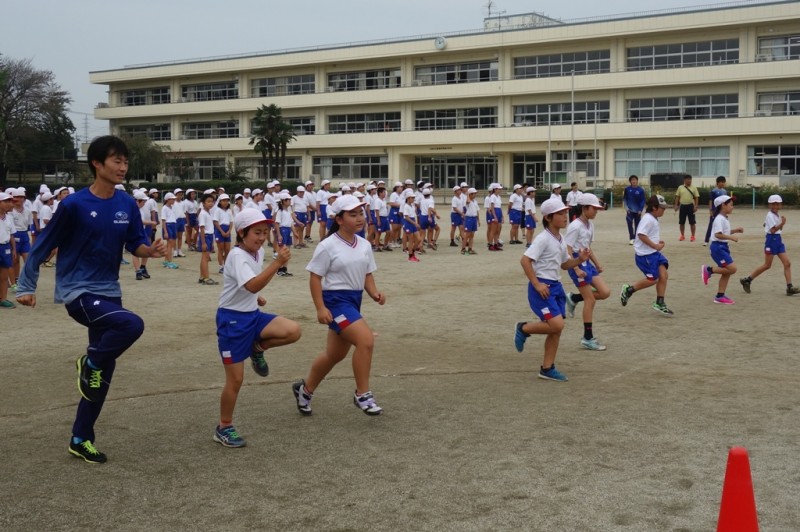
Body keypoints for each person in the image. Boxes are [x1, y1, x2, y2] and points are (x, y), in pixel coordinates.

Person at [15, 135, 166, 463]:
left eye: (125, 161)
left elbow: (135, 243)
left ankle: (81, 437)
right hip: (78, 291)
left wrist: (150, 251)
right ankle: (91, 361)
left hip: (109, 291)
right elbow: (42, 245)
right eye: (116, 161)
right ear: (97, 164)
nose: (123, 167)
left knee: (100, 378)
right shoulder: (73, 205)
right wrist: (25, 286)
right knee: (130, 326)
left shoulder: (126, 203)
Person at [213, 208, 301, 448]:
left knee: (293, 330)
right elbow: (250, 285)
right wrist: (277, 263)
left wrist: (257, 296)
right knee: (235, 380)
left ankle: (257, 348)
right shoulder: (237, 255)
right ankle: (224, 427)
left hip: (252, 314)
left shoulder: (258, 251)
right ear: (242, 233)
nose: (262, 237)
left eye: (265, 232)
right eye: (256, 232)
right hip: (231, 321)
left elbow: (250, 286)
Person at [292, 195, 386, 416]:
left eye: (361, 213)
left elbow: (367, 273)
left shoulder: (363, 244)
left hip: (354, 301)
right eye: (352, 215)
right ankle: (362, 394)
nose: (359, 218)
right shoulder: (327, 246)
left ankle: (304, 391)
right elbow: (315, 277)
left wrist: (374, 293)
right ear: (339, 219)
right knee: (365, 340)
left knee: (334, 355)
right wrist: (320, 308)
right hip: (335, 301)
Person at [514, 197, 591, 382]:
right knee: (556, 324)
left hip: (556, 286)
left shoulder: (561, 238)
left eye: (565, 213)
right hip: (542, 287)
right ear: (548, 218)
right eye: (560, 213)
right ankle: (523, 329)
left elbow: (564, 265)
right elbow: (525, 261)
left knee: (556, 330)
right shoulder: (542, 239)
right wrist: (537, 284)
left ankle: (547, 368)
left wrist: (579, 260)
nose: (565, 216)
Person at [564, 193, 611, 350]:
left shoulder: (590, 225)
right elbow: (568, 249)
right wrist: (576, 268)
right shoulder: (575, 226)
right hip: (577, 262)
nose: (596, 211)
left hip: (586, 261)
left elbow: (588, 248)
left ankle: (574, 298)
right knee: (590, 300)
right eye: (594, 208)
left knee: (604, 292)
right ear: (585, 208)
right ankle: (587, 337)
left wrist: (597, 264)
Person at [620, 195, 674, 316]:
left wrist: (657, 243)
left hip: (654, 253)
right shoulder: (648, 219)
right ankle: (628, 290)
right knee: (652, 279)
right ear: (654, 208)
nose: (664, 210)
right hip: (645, 255)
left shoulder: (653, 218)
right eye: (662, 208)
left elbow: (648, 235)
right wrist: (655, 246)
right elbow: (641, 235)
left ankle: (660, 302)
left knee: (663, 275)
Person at [740, 194, 800, 296]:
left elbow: (769, 226)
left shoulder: (775, 215)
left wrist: (778, 225)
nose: (775, 206)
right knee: (767, 265)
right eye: (773, 204)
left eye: (777, 204)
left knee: (787, 263)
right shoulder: (770, 215)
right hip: (771, 240)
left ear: (781, 205)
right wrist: (782, 224)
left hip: (778, 240)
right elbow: (772, 230)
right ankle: (748, 280)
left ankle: (789, 287)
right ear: (769, 205)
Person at [701, 195, 743, 304]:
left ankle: (720, 296)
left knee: (727, 272)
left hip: (722, 247)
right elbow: (718, 235)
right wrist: (731, 237)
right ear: (723, 205)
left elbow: (724, 232)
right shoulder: (719, 218)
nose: (732, 207)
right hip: (718, 247)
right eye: (731, 205)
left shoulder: (723, 218)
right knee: (732, 269)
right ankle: (708, 270)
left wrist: (735, 230)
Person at [0, 191, 17, 308]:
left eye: (10, 201)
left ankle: (3, 299)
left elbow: (11, 235)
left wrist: (14, 249)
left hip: (5, 247)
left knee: (4, 275)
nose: (10, 204)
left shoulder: (9, 218)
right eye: (6, 201)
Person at [198, 193, 218, 285]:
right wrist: (203, 242)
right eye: (208, 201)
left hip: (209, 236)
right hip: (205, 236)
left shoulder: (208, 212)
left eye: (212, 202)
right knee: (205, 258)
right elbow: (202, 228)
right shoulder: (202, 214)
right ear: (203, 203)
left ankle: (202, 277)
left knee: (204, 257)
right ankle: (206, 277)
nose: (210, 203)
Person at [703, 176, 728, 247]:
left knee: (723, 225)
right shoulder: (713, 191)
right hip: (715, 210)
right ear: (718, 183)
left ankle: (724, 240)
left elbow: (726, 202)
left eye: (724, 182)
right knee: (711, 225)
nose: (723, 183)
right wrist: (710, 210)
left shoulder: (724, 191)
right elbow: (710, 201)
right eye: (721, 182)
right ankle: (706, 240)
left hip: (722, 211)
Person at [673, 174, 699, 242]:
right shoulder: (680, 187)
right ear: (684, 180)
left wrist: (696, 206)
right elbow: (677, 197)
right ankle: (682, 235)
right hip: (683, 206)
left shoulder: (694, 188)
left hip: (691, 206)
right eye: (687, 179)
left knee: (692, 222)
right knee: (681, 222)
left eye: (690, 179)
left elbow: (696, 197)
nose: (689, 181)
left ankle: (693, 236)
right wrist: (676, 205)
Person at [623, 175, 646, 245]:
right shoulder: (627, 189)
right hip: (629, 211)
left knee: (638, 225)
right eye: (632, 180)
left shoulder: (641, 190)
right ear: (630, 181)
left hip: (638, 211)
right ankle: (631, 238)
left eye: (635, 180)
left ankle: (637, 238)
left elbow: (643, 200)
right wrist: (626, 209)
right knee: (629, 224)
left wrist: (640, 209)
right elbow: (625, 199)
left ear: (637, 181)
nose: (634, 181)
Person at [213, 194, 233, 273]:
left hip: (227, 230)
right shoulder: (217, 210)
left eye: (227, 201)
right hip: (219, 230)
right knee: (221, 249)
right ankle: (221, 266)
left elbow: (231, 222)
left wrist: (229, 231)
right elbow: (215, 222)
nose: (225, 202)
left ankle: (226, 265)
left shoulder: (229, 211)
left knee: (227, 249)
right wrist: (221, 231)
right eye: (224, 201)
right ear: (220, 201)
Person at [160, 192, 180, 269]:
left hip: (173, 225)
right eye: (172, 199)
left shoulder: (171, 207)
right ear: (168, 200)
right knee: (170, 244)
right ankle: (170, 262)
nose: (174, 200)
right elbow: (163, 220)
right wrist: (165, 231)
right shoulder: (164, 208)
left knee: (170, 244)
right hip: (168, 226)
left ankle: (166, 261)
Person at [462, 187, 480, 255]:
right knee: (467, 234)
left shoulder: (475, 201)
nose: (475, 195)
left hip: (474, 218)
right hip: (468, 218)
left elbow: (477, 211)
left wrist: (478, 220)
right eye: (473, 194)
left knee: (472, 235)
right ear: (470, 194)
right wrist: (467, 195)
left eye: (475, 194)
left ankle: (470, 248)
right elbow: (468, 202)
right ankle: (463, 249)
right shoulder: (467, 200)